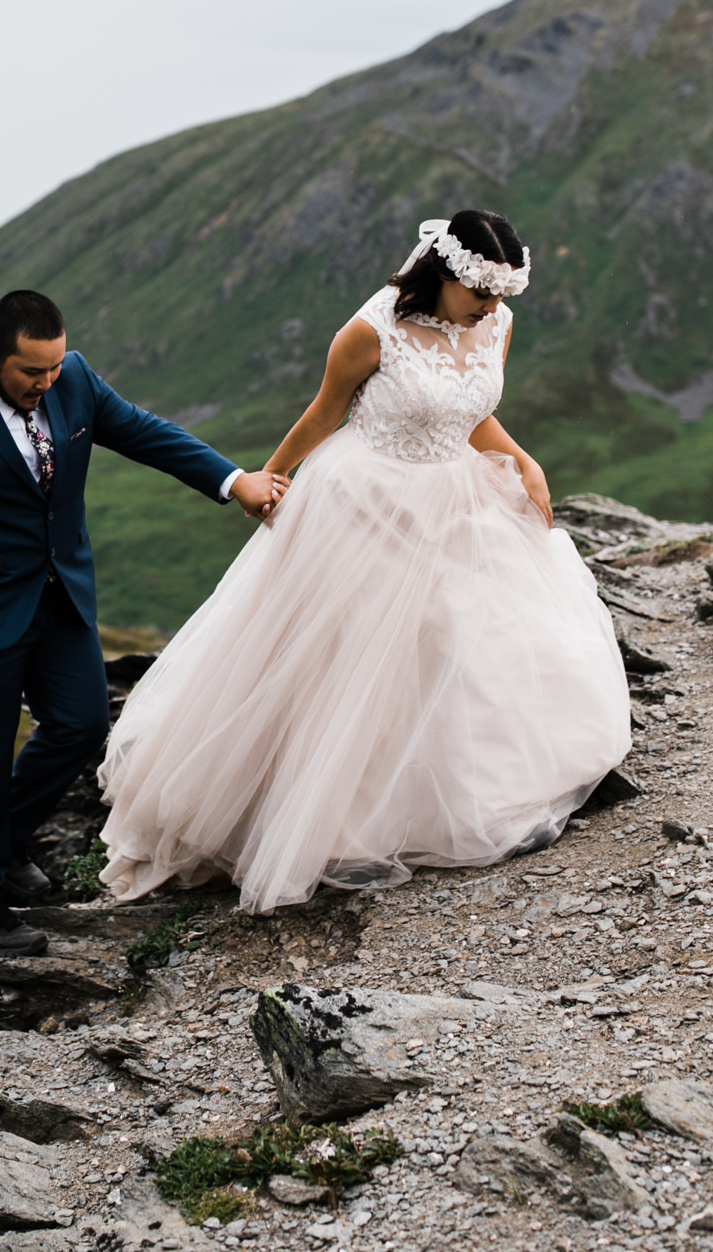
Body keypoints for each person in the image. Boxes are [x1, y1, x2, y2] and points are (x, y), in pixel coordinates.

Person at [96, 212, 630, 914]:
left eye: (501, 296)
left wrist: (522, 458)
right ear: (442, 275)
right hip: (366, 500)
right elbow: (323, 415)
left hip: (458, 495)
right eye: (480, 293)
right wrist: (270, 478)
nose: (492, 309)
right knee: (351, 657)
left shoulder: (496, 324)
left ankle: (454, 796)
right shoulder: (370, 330)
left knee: (459, 642)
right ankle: (331, 819)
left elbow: (471, 414)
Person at [0, 289, 288, 955]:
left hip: (61, 598)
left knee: (82, 723)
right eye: (31, 372)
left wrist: (231, 479)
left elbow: (147, 433)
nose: (46, 382)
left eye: (54, 368)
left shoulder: (76, 381)